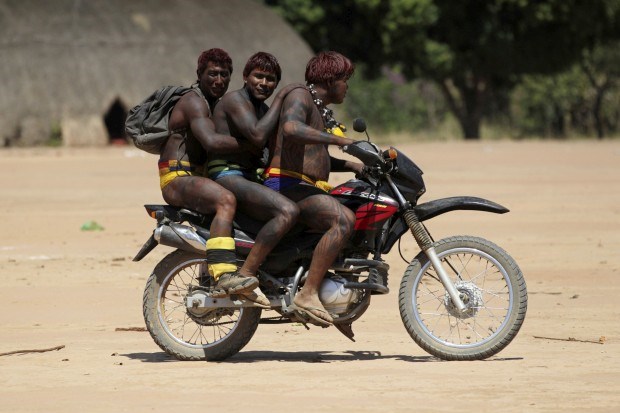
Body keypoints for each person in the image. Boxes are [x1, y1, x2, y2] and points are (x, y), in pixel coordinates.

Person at [263, 51, 363, 326]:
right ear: (330, 80)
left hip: (302, 184)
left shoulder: (317, 108)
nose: (347, 87)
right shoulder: (300, 95)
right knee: (343, 220)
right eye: (345, 80)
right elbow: (291, 128)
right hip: (285, 183)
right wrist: (339, 140)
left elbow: (314, 157)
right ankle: (308, 294)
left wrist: (354, 166)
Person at [160, 48, 257, 298]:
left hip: (199, 178)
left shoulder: (216, 105)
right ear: (199, 74)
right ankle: (223, 274)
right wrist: (254, 144)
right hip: (177, 177)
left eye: (225, 75)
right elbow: (211, 142)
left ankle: (208, 277)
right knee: (225, 200)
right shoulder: (194, 102)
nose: (219, 80)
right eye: (213, 74)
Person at [209, 52, 301, 307]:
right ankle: (246, 273)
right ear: (245, 77)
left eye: (271, 80)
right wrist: (281, 97)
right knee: (288, 211)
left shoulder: (262, 109)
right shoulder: (234, 100)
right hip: (227, 174)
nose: (264, 83)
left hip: (249, 176)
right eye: (258, 76)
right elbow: (258, 136)